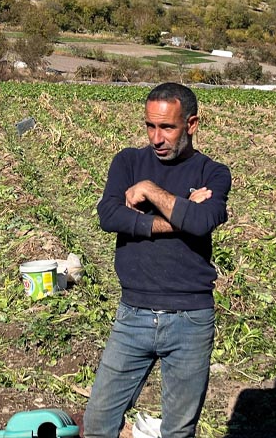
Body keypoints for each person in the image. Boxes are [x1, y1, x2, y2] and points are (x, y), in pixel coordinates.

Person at [84, 82, 231, 438]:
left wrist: (150, 190)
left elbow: (201, 222)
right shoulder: (128, 161)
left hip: (190, 320)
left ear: (192, 124)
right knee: (98, 423)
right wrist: (178, 214)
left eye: (167, 127)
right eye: (150, 125)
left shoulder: (213, 173)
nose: (156, 137)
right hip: (133, 314)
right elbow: (109, 215)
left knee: (178, 431)